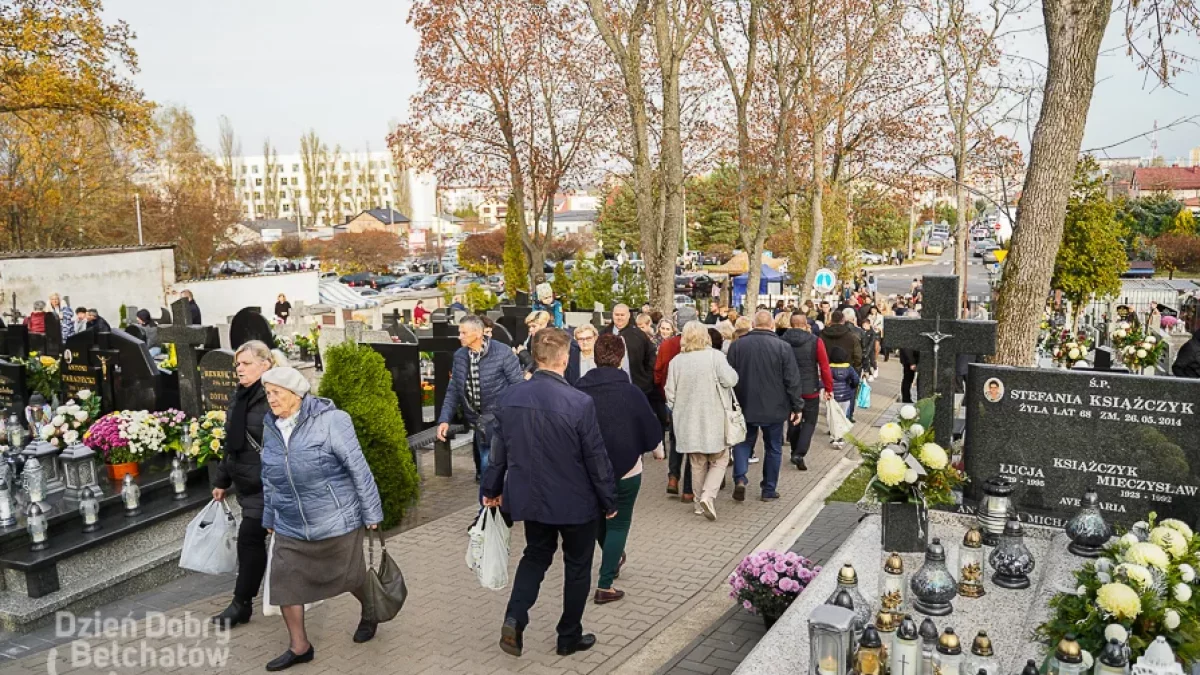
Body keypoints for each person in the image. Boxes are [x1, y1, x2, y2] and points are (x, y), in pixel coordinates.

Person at [483, 328, 616, 659]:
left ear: (536, 357)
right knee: (577, 566)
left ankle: (514, 618)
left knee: (536, 555)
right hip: (576, 502)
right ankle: (568, 635)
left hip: (531, 498)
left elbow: (499, 450)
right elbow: (595, 456)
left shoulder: (511, 398)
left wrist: (491, 488)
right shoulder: (579, 402)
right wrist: (609, 499)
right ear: (565, 359)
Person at [258, 366, 384, 671]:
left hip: (334, 517)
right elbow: (270, 475)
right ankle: (300, 646)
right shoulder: (270, 426)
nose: (270, 399)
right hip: (290, 522)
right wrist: (270, 515)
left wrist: (372, 513)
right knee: (283, 581)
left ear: (295, 394)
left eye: (276, 393)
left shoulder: (332, 421)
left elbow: (358, 467)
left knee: (350, 576)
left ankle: (370, 607)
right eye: (267, 393)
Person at [576, 334, 662, 604]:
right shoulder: (632, 392)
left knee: (600, 521)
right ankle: (605, 584)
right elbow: (651, 430)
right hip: (627, 469)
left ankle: (614, 557)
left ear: (595, 356)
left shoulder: (579, 390)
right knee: (619, 523)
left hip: (589, 472)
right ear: (622, 357)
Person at [210, 340, 275, 629]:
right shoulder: (240, 396)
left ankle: (241, 604)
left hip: (269, 485)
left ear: (266, 365)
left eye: (246, 363)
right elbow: (232, 443)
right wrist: (223, 480)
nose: (239, 369)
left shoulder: (274, 396)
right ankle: (243, 604)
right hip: (248, 484)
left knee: (250, 539)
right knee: (251, 541)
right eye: (238, 364)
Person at [725, 311, 802, 502]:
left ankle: (740, 477)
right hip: (775, 406)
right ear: (772, 325)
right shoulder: (783, 347)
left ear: (753, 324)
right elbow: (792, 379)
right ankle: (768, 488)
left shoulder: (737, 346)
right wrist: (797, 406)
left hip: (745, 404)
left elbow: (729, 377)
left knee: (743, 443)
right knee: (774, 447)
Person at [664, 322, 739, 520]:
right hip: (714, 417)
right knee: (720, 458)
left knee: (696, 462)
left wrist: (679, 408)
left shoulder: (676, 362)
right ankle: (708, 495)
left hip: (688, 420)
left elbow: (670, 394)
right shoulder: (716, 357)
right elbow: (731, 380)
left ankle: (698, 504)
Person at [438, 315, 524, 483]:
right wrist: (444, 419)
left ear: (477, 333)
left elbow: (518, 386)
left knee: (495, 466)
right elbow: (454, 389)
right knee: (486, 466)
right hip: (479, 423)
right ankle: (488, 503)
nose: (459, 336)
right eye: (459, 332)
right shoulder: (460, 356)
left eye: (463, 333)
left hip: (500, 420)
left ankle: (496, 502)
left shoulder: (503, 352)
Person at [780, 315, 833, 471]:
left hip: (788, 388)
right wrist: (829, 388)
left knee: (793, 419)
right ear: (805, 325)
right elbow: (824, 366)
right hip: (809, 388)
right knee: (809, 422)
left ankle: (794, 449)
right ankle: (800, 453)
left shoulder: (782, 341)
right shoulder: (815, 341)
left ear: (791, 324)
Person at [654, 322, 693, 502]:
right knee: (692, 443)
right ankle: (688, 489)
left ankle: (673, 477)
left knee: (676, 439)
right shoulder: (700, 350)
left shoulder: (667, 345)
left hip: (673, 399)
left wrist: (662, 391)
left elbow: (659, 370)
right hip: (692, 402)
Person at [608, 304, 656, 400]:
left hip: (637, 386)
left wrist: (647, 379)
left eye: (622, 315)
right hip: (610, 388)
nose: (619, 318)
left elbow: (651, 356)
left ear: (629, 315)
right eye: (617, 315)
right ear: (612, 315)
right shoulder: (604, 334)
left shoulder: (639, 335)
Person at [828, 346, 861, 448]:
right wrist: (852, 387)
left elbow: (824, 380)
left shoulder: (830, 368)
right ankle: (841, 438)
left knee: (834, 417)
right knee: (843, 416)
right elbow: (856, 379)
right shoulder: (849, 368)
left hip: (834, 396)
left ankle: (835, 437)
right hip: (846, 396)